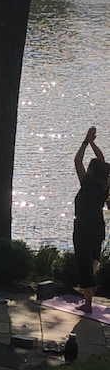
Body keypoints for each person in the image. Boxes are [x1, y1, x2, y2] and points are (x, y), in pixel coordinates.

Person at [73, 127, 110, 313]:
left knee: (83, 262)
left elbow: (77, 160)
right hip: (98, 226)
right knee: (93, 259)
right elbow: (102, 161)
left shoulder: (87, 184)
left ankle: (87, 303)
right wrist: (93, 143)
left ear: (91, 172)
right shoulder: (104, 184)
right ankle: (89, 297)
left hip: (83, 227)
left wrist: (86, 142)